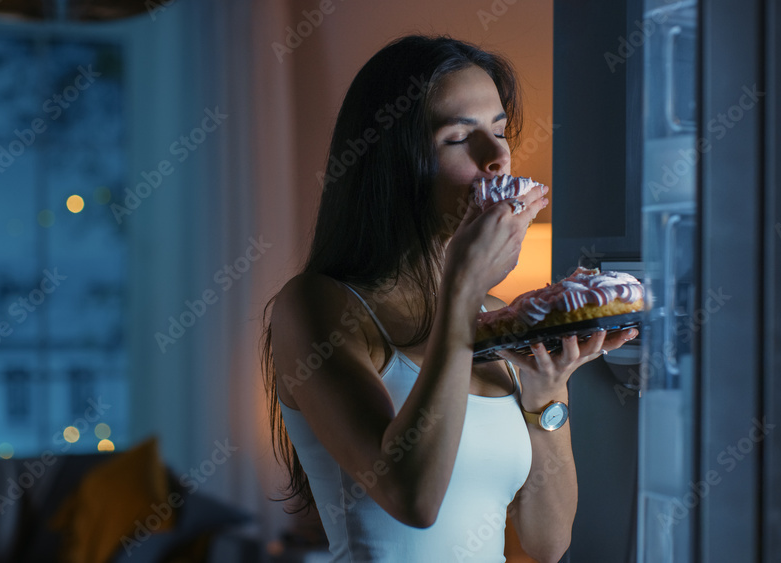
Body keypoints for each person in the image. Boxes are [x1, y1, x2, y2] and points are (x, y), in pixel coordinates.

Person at [261, 35, 637, 563]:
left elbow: (548, 543)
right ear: (394, 163)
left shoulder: (489, 315)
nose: (498, 158)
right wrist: (461, 289)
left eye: (500, 131)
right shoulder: (316, 306)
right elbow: (411, 498)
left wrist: (545, 395)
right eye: (460, 138)